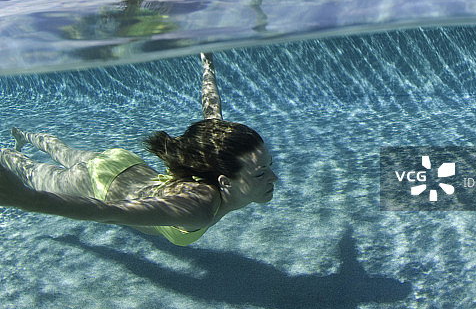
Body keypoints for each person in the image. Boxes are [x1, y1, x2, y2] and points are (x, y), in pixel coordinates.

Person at [0, 54, 277, 246]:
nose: (273, 178)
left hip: (122, 163)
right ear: (224, 182)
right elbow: (108, 211)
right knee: (34, 173)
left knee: (65, 152)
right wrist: (25, 198)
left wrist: (207, 64)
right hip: (99, 184)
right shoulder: (197, 207)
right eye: (261, 172)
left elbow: (211, 108)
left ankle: (24, 136)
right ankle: (7, 153)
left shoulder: (212, 155)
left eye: (269, 167)